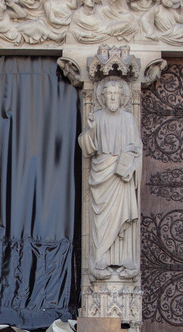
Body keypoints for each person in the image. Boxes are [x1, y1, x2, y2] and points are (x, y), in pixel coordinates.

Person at [78, 79, 142, 280]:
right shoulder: (96, 117)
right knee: (101, 221)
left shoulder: (128, 119)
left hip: (121, 177)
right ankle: (100, 261)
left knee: (123, 218)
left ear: (123, 97)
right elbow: (86, 148)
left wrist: (129, 164)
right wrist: (91, 130)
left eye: (116, 94)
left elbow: (137, 148)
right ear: (102, 97)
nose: (113, 97)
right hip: (102, 175)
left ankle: (124, 260)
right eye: (109, 93)